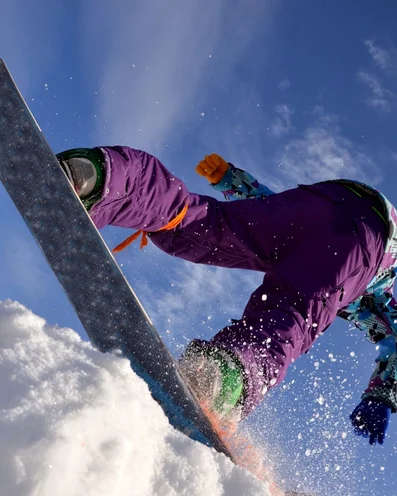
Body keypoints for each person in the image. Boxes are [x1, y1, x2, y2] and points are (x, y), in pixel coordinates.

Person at [56, 146, 397, 445]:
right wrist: (381, 396)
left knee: (204, 226)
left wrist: (230, 179)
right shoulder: (384, 293)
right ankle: (224, 376)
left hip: (325, 199)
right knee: (291, 315)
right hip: (369, 235)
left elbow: (270, 208)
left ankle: (105, 179)